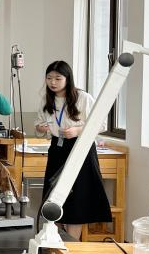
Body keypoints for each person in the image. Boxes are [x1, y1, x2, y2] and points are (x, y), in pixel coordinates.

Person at [34, 60, 111, 240]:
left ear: (68, 79)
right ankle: (57, 241)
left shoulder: (83, 97)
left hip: (80, 149)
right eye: (49, 78)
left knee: (77, 199)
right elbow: (38, 123)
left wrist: (77, 130)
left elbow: (101, 123)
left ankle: (73, 244)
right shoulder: (46, 99)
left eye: (58, 78)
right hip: (57, 149)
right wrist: (40, 128)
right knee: (54, 197)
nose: (53, 82)